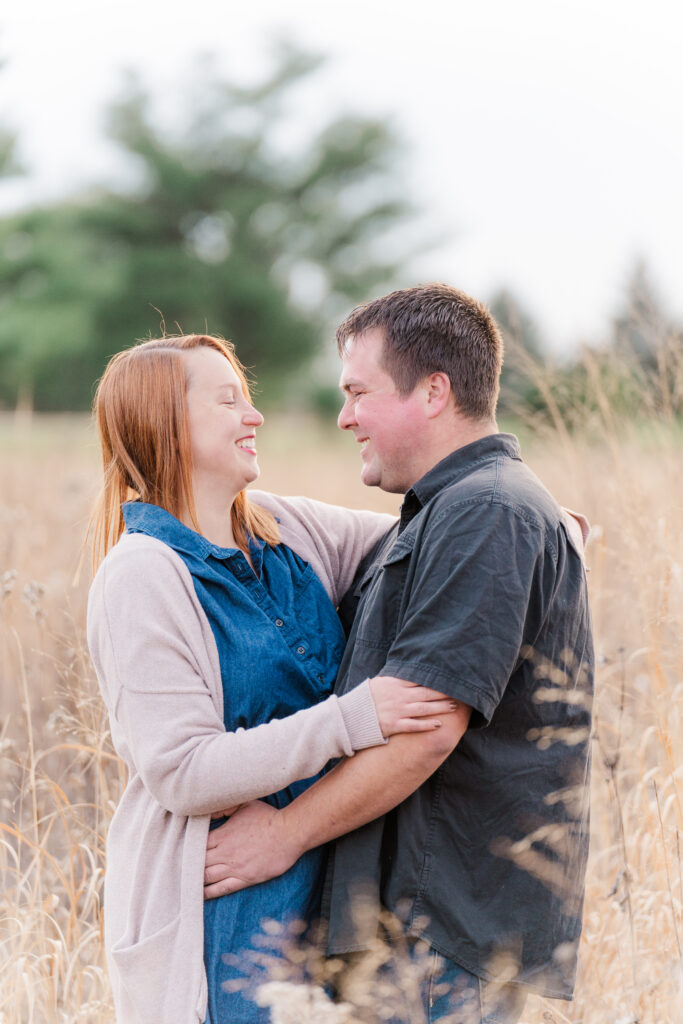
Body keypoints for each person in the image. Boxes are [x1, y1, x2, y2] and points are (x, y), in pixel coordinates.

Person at [203, 284, 594, 1024]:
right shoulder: (457, 510)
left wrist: (282, 836)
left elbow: (426, 728)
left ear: (433, 392)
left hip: (446, 929)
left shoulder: (487, 511)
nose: (345, 415)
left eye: (358, 392)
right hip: (419, 924)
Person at [85, 332, 461, 1024]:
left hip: (336, 879)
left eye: (248, 399)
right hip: (227, 903)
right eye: (228, 401)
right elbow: (181, 770)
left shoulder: (290, 528)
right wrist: (354, 717)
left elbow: (440, 541)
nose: (252, 417)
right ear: (162, 422)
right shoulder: (140, 575)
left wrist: (528, 522)